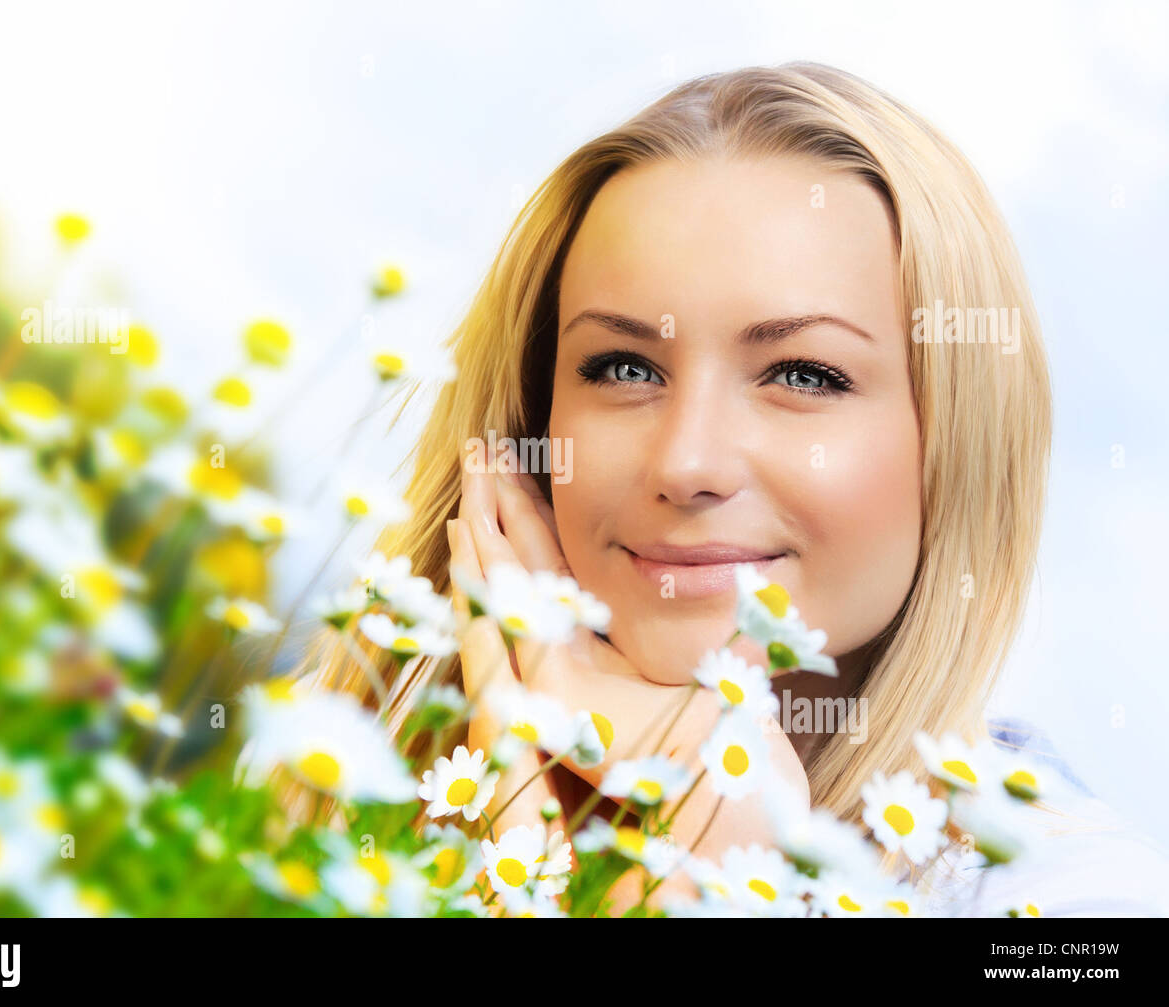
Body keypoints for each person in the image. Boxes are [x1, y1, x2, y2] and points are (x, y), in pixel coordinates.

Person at [308, 62, 1167, 915]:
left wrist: (727, 861)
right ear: (534, 428)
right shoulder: (326, 809)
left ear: (958, 442)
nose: (687, 464)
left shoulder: (1085, 906)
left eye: (802, 373)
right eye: (623, 366)